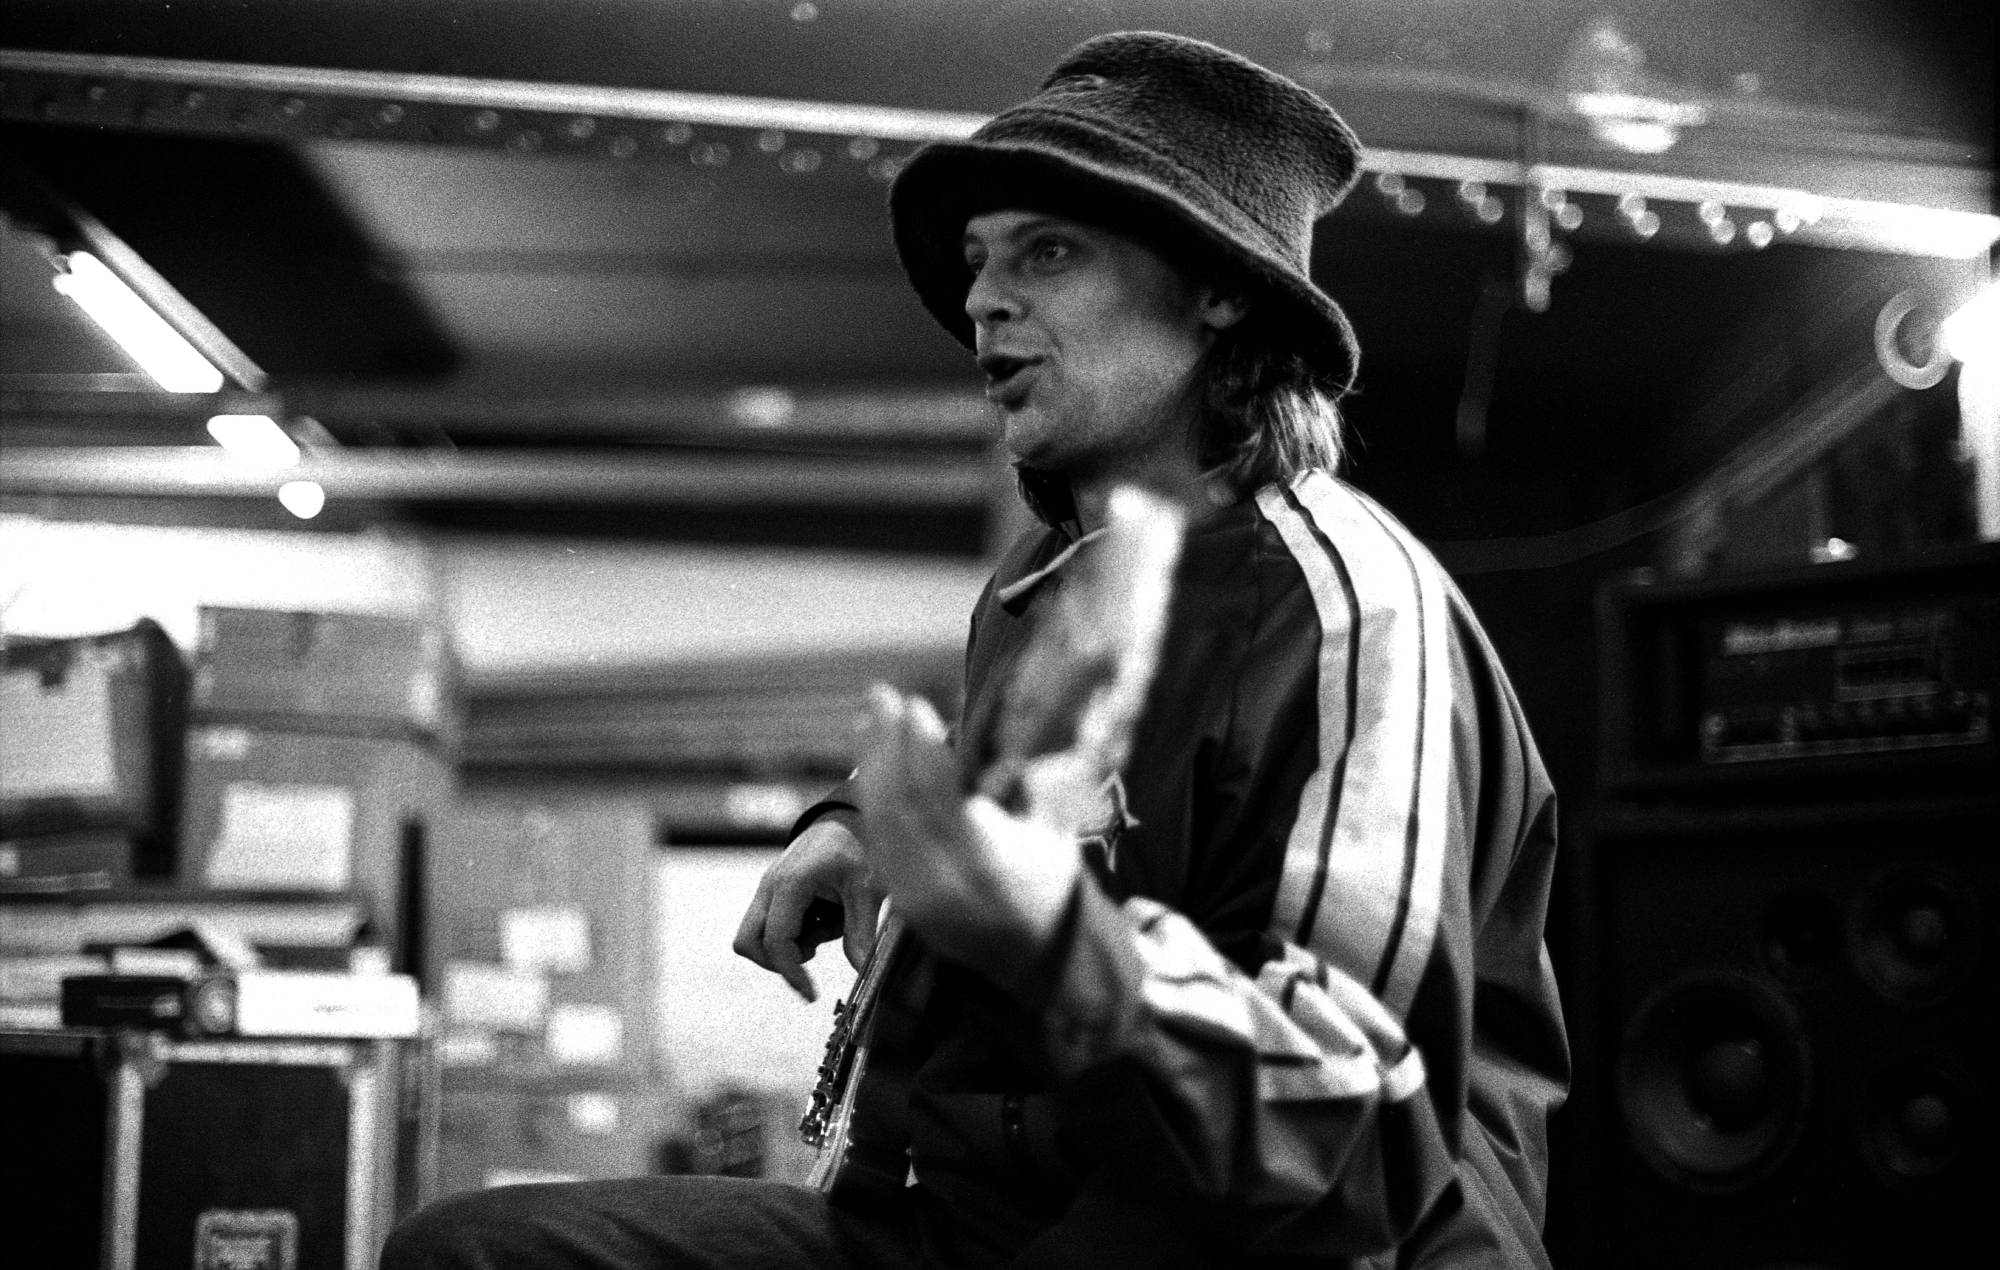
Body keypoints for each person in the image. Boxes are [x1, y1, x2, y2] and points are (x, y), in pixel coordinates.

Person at [382, 29, 1567, 1270]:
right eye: (976, 261)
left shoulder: (1345, 610)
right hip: (1009, 1216)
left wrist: (1053, 940)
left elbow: (1345, 1139)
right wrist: (854, 824)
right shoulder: (1049, 584)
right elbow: (1060, 806)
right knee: (475, 1251)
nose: (985, 302)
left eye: (1048, 253)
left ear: (1220, 292)